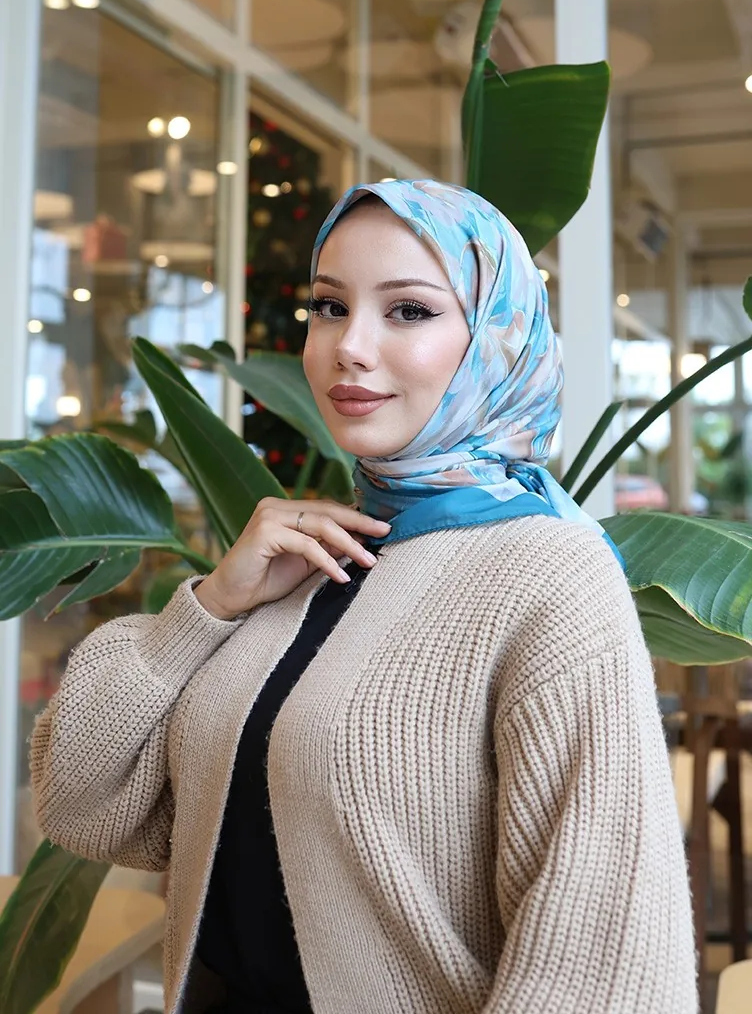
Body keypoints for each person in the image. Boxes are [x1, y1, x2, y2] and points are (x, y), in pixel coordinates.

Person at [30, 180, 697, 1014]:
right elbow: (79, 804)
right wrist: (211, 603)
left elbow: (602, 965)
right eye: (329, 306)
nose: (349, 345)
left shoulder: (548, 572)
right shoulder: (303, 555)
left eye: (409, 310)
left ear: (496, 341)